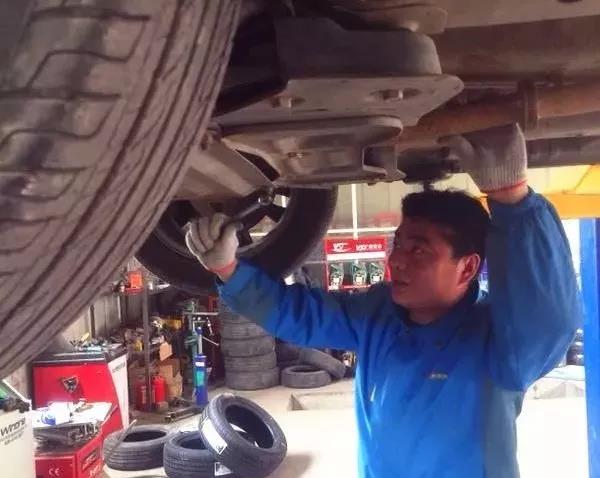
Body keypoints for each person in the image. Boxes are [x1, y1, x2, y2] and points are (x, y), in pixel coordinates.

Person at [184, 124, 580, 478]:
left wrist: (512, 198)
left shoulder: (500, 346)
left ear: (467, 267)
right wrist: (228, 270)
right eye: (398, 244)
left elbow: (548, 316)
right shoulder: (378, 316)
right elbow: (299, 315)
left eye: (419, 250)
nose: (396, 260)